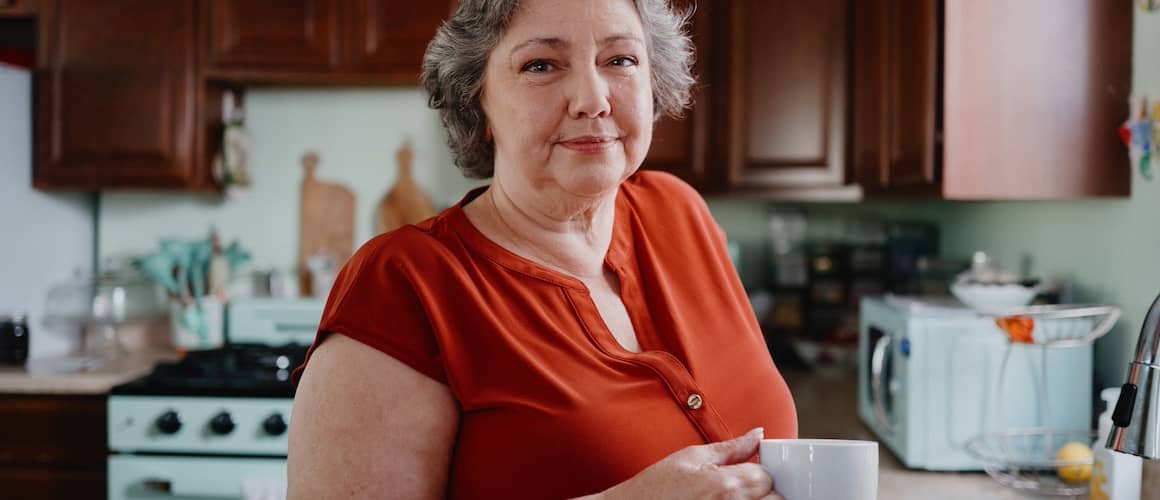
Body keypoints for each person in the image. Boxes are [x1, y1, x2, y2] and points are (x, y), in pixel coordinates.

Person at [287, 0, 797, 498]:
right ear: (477, 101)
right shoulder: (404, 285)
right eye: (541, 65)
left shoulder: (679, 212)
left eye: (620, 59)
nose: (592, 99)